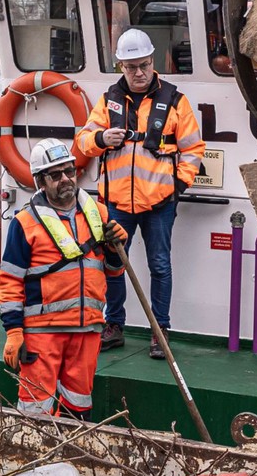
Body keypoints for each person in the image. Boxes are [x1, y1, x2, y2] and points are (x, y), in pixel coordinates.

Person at [74, 27, 204, 356]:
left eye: (144, 65)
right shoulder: (108, 101)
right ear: (121, 67)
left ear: (153, 61)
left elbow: (193, 150)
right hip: (116, 203)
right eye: (132, 67)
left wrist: (177, 187)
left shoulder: (175, 100)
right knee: (113, 264)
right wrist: (101, 140)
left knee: (160, 266)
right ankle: (114, 324)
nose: (139, 72)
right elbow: (83, 141)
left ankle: (160, 331)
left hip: (160, 204)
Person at [0, 139, 123, 417]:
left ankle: (74, 457)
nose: (66, 179)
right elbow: (10, 282)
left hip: (87, 330)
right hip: (43, 331)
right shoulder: (24, 224)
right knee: (35, 409)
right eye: (56, 175)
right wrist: (14, 332)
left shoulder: (99, 214)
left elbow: (113, 271)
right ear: (41, 181)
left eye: (70, 171)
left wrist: (115, 250)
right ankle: (34, 458)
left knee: (78, 407)